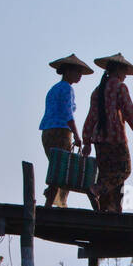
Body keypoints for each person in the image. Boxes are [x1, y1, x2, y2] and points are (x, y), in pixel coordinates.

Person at [81, 52, 133, 212]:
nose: (126, 75)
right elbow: (130, 113)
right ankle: (96, 190)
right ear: (118, 70)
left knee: (108, 176)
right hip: (116, 139)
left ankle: (110, 209)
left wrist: (86, 141)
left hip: (99, 140)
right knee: (124, 170)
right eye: (125, 71)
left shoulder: (97, 91)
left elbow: (91, 117)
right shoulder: (120, 88)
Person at [40, 54, 93, 206]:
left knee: (57, 167)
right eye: (77, 72)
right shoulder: (66, 89)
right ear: (68, 71)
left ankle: (51, 202)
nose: (79, 75)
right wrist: (77, 136)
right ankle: (52, 203)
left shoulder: (54, 89)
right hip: (60, 132)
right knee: (62, 169)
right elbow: (67, 114)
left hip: (47, 132)